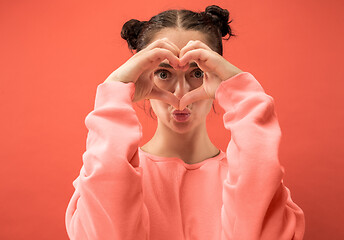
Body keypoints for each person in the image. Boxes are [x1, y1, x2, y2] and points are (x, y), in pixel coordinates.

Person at [65, 5, 305, 240]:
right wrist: (115, 90)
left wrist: (242, 94)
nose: (181, 92)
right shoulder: (100, 176)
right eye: (164, 73)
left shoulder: (251, 177)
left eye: (197, 72)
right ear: (142, 76)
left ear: (217, 75)